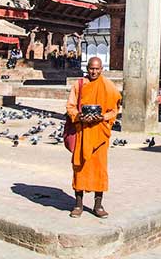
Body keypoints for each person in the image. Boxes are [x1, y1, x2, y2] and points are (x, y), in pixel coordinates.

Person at [66, 56, 121, 219]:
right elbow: (70, 106)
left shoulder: (108, 86)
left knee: (99, 170)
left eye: (97, 69)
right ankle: (78, 204)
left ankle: (98, 205)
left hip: (100, 134)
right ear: (87, 68)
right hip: (82, 132)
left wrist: (103, 117)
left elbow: (114, 109)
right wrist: (79, 116)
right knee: (80, 168)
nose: (94, 72)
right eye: (91, 68)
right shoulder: (79, 85)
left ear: (102, 69)